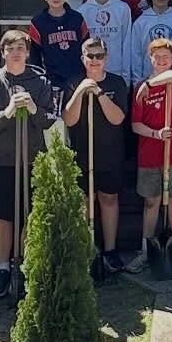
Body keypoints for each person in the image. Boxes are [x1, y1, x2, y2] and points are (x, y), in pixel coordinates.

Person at [0, 28, 57, 297]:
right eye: (10, 48)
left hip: (34, 159)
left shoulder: (40, 80)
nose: (16, 53)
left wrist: (35, 109)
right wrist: (8, 111)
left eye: (20, 48)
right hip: (4, 160)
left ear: (27, 52)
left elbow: (49, 118)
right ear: (3, 53)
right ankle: (3, 270)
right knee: (3, 217)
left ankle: (25, 267)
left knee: (31, 217)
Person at [126, 37, 172, 275]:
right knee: (151, 202)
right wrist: (157, 133)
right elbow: (136, 126)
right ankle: (146, 251)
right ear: (150, 58)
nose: (162, 60)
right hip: (150, 154)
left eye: (166, 57)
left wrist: (152, 83)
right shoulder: (139, 88)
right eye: (157, 57)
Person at [62, 36, 130, 275]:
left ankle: (110, 251)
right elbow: (69, 119)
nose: (94, 60)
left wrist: (99, 94)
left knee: (108, 200)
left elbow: (118, 118)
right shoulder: (73, 82)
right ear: (82, 58)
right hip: (81, 153)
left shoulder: (117, 83)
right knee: (84, 203)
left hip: (110, 154)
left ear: (106, 58)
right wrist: (80, 92)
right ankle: (86, 249)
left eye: (99, 56)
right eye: (89, 56)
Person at [27, 0, 90, 94]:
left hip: (77, 77)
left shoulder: (77, 18)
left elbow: (87, 48)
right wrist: (40, 79)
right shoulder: (38, 22)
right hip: (52, 80)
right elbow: (34, 56)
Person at [81, 0, 135, 84]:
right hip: (91, 74)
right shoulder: (83, 11)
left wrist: (126, 77)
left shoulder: (122, 8)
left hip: (117, 73)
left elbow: (126, 43)